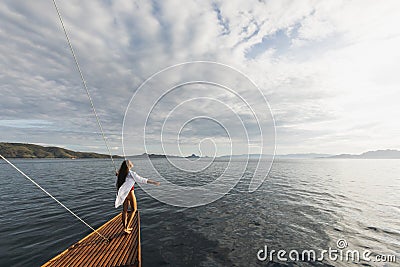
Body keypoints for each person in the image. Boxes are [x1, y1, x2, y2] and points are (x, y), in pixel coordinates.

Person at [115, 159, 160, 234]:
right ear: (128, 165)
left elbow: (116, 184)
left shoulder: (121, 174)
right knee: (134, 210)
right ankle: (126, 228)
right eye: (130, 162)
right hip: (130, 194)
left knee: (124, 211)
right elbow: (142, 180)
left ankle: (125, 227)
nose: (132, 163)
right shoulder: (132, 174)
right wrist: (154, 182)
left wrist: (117, 174)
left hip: (124, 194)